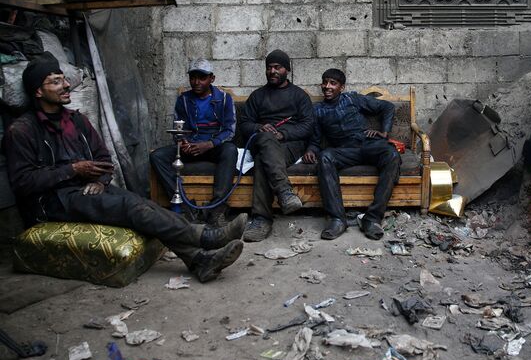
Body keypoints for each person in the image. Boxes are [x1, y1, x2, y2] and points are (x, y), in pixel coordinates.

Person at [3, 52, 246, 283]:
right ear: (38, 91)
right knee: (134, 208)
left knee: (144, 205)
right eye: (55, 82)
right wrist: (73, 170)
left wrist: (100, 181)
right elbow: (23, 183)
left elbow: (104, 160)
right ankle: (205, 236)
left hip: (89, 189)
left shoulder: (77, 121)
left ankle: (199, 260)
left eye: (64, 79)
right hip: (53, 202)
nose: (66, 85)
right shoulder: (22, 130)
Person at [302, 68, 401, 240]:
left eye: (333, 83)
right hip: (344, 151)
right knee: (325, 157)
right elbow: (315, 139)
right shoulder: (317, 110)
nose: (327, 86)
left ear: (342, 87)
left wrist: (384, 132)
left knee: (392, 154)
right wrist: (311, 149)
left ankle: (372, 218)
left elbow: (387, 107)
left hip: (368, 145)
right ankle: (337, 219)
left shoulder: (352, 98)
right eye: (325, 82)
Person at [150, 58, 238, 227]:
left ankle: (216, 210)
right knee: (157, 156)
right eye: (193, 77)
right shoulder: (183, 100)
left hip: (213, 146)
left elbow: (230, 130)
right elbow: (178, 127)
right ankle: (185, 207)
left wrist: (209, 144)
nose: (196, 82)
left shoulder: (225, 99)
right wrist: (183, 141)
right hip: (191, 145)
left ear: (211, 78)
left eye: (202, 78)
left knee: (230, 150)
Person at [239, 49, 313, 242]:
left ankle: (261, 219)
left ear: (286, 70)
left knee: (262, 160)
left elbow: (307, 125)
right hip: (262, 141)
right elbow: (245, 123)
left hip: (290, 144)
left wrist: (283, 133)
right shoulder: (257, 96)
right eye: (269, 67)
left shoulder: (299, 96)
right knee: (264, 139)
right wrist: (259, 126)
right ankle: (284, 192)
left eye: (277, 67)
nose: (272, 71)